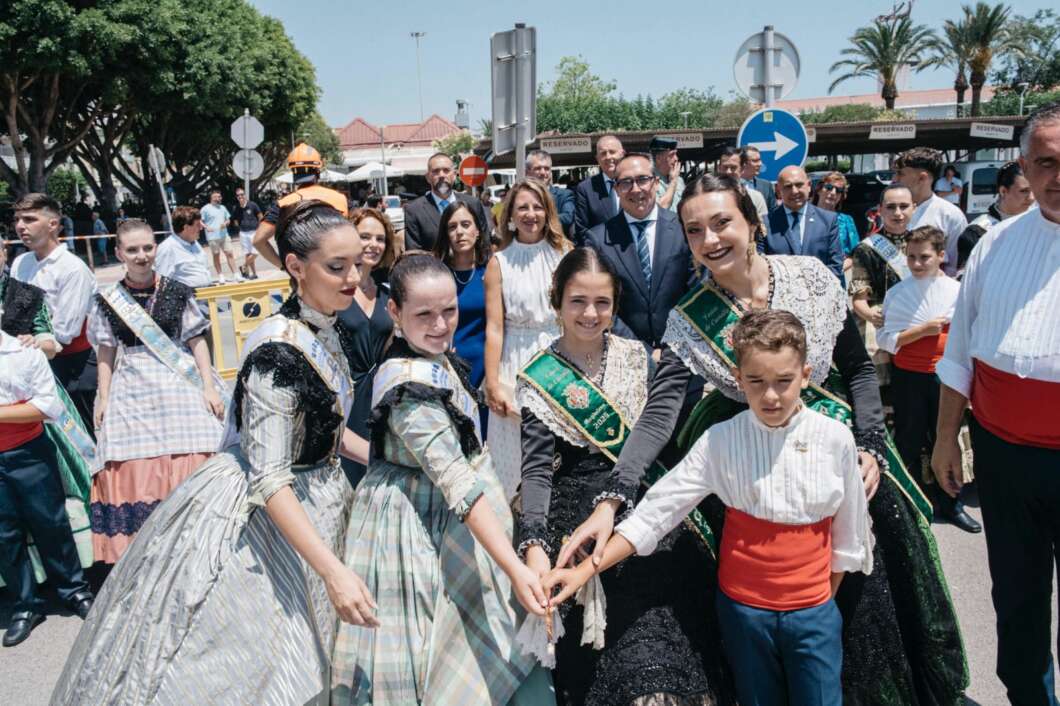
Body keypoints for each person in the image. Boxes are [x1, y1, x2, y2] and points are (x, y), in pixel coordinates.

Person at [557, 174, 969, 706]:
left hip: (836, 455)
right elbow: (659, 416)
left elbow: (859, 372)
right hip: (753, 467)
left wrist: (870, 445)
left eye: (722, 222)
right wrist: (613, 497)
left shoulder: (813, 279)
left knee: (862, 615)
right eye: (695, 230)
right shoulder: (690, 319)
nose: (710, 239)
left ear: (751, 222)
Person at [52, 200, 377, 704]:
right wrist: (332, 572)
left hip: (320, 495)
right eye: (337, 267)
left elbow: (323, 429)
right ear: (295, 267)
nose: (353, 276)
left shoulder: (323, 328)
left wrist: (379, 457)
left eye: (357, 263)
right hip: (273, 513)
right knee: (265, 666)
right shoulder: (278, 354)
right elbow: (270, 477)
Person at [548, 310, 873, 706]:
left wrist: (817, 604)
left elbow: (849, 533)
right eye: (756, 381)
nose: (770, 395)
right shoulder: (720, 441)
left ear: (805, 375)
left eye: (784, 382)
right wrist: (584, 571)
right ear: (738, 381)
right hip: (743, 614)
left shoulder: (835, 438)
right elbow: (657, 512)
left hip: (813, 610)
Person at [330, 252, 553, 705]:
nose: (440, 324)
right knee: (431, 651)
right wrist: (513, 567)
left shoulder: (431, 357)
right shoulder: (408, 387)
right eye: (424, 314)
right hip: (420, 527)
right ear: (394, 313)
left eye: (449, 311)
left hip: (456, 516)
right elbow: (458, 486)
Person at [516, 247, 735, 705]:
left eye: (603, 302)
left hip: (648, 511)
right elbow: (537, 470)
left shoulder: (639, 357)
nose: (591, 314)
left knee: (672, 645)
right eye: (577, 301)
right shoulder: (538, 378)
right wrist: (534, 544)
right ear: (556, 302)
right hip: (578, 527)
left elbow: (659, 433)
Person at [931, 102, 1060, 706]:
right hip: (1004, 457)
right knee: (1016, 593)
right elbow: (960, 349)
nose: (1057, 177)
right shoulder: (994, 243)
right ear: (1024, 168)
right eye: (1045, 163)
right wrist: (942, 439)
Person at [87, 219, 226, 563]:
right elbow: (105, 351)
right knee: (130, 459)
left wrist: (208, 386)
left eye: (147, 247)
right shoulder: (108, 300)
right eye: (132, 249)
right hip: (132, 384)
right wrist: (103, 398)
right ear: (119, 252)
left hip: (178, 379)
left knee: (198, 445)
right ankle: (148, 553)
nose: (141, 256)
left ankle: (198, 543)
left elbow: (197, 341)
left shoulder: (178, 291)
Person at [877, 226, 980, 534]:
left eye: (924, 257)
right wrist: (922, 331)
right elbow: (886, 339)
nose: (917, 264)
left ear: (941, 255)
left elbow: (968, 334)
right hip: (908, 377)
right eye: (911, 257)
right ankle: (910, 505)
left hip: (944, 377)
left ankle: (951, 503)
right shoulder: (897, 293)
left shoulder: (956, 290)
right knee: (908, 439)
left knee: (945, 440)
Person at [0, 327, 94, 647]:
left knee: (50, 521)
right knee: (5, 533)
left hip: (28, 452)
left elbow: (46, 407)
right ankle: (25, 604)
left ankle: (74, 589)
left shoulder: (24, 354)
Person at [484, 180, 571, 499]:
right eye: (522, 207)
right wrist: (493, 383)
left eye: (537, 206)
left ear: (548, 211)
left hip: (559, 357)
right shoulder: (499, 262)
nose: (530, 214)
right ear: (510, 214)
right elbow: (494, 327)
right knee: (515, 460)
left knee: (561, 449)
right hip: (515, 361)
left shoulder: (565, 254)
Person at [581, 152, 695, 349]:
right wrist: (641, 350)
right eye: (625, 182)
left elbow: (696, 290)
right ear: (616, 189)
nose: (635, 189)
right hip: (625, 352)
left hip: (683, 352)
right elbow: (599, 302)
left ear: (657, 183)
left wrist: (672, 347)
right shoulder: (597, 240)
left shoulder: (684, 229)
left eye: (643, 179)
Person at [12, 194, 98, 436]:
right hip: (30, 362)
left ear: (52, 224)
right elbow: (15, 315)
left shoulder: (72, 268)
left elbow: (65, 332)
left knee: (80, 441)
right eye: (18, 219)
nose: (20, 226)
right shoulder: (21, 263)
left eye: (29, 219)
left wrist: (34, 340)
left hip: (71, 368)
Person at [336, 208, 395, 488]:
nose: (374, 244)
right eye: (365, 236)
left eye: (380, 239)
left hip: (382, 394)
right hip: (347, 393)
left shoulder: (388, 291)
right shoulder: (335, 289)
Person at [433, 199, 492, 431]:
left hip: (485, 367)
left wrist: (493, 375)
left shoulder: (492, 271)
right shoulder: (437, 273)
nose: (459, 232)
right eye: (452, 227)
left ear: (478, 230)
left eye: (466, 225)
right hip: (446, 364)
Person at [848, 183, 916, 384]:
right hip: (880, 318)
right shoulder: (866, 249)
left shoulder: (924, 242)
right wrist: (875, 317)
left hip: (917, 317)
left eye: (904, 206)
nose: (898, 213)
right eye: (891, 207)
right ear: (880, 210)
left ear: (915, 207)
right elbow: (859, 300)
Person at [252, 143, 352, 269]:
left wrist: (285, 267)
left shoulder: (283, 204)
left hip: (303, 275)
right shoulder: (339, 199)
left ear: (293, 172)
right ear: (318, 170)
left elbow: (258, 241)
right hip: (337, 269)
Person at [763, 165, 844, 280]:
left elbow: (835, 265)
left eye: (799, 185)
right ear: (778, 190)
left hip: (819, 293)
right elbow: (761, 267)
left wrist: (809, 290)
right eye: (788, 186)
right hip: (781, 294)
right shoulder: (765, 223)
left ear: (809, 186)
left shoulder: (828, 220)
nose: (794, 191)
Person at [895, 147, 967, 276]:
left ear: (922, 178)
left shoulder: (950, 216)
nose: (895, 179)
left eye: (901, 174)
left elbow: (957, 267)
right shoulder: (890, 211)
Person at [956, 160, 1035, 275]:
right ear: (1003, 191)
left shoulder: (1045, 224)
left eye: (1034, 190)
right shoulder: (978, 231)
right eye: (1024, 191)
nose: (1031, 198)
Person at [403, 152, 493, 251]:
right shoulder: (414, 210)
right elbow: (414, 254)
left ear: (454, 175)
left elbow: (484, 243)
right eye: (436, 171)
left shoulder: (473, 204)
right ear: (428, 178)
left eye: (446, 170)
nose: (441, 175)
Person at [573, 135, 625, 240]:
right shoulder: (585, 189)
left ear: (622, 154)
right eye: (603, 153)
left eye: (612, 152)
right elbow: (582, 230)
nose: (608, 157)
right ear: (597, 159)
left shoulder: (635, 183)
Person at [154, 206, 215, 292]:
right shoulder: (167, 248)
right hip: (186, 302)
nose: (201, 228)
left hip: (206, 298)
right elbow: (162, 284)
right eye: (198, 225)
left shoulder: (195, 243)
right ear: (186, 227)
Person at [813, 171, 860, 269]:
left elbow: (855, 254)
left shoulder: (847, 220)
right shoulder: (805, 216)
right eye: (829, 187)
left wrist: (836, 270)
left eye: (838, 190)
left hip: (836, 276)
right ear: (819, 190)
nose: (833, 193)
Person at [527, 148, 576, 237]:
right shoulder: (520, 197)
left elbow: (568, 217)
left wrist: (537, 218)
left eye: (546, 168)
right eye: (537, 168)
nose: (543, 172)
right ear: (528, 172)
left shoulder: (564, 195)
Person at [716, 146, 768, 222]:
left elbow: (763, 229)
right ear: (719, 168)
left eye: (733, 167)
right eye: (725, 167)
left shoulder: (756, 198)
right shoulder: (708, 197)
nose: (728, 172)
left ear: (742, 169)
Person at [200, 190, 240, 283]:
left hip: (224, 235)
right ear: (212, 198)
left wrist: (225, 223)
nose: (219, 198)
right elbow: (200, 221)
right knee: (216, 255)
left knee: (230, 254)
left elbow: (228, 219)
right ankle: (220, 276)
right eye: (217, 197)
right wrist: (206, 227)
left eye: (220, 196)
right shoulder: (205, 209)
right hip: (212, 236)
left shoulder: (223, 207)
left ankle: (236, 274)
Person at [231, 187, 263, 280]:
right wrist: (240, 227)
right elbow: (235, 220)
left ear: (245, 195)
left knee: (255, 252)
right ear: (236, 197)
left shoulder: (252, 205)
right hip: (243, 233)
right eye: (238, 195)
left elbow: (260, 216)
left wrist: (260, 228)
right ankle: (253, 274)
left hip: (254, 232)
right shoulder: (236, 207)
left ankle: (244, 266)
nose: (240, 196)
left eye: (242, 194)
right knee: (248, 254)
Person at [651, 135, 686, 211]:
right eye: (672, 155)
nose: (676, 158)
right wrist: (673, 182)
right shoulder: (649, 181)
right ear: (658, 158)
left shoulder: (679, 180)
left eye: (676, 154)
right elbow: (660, 208)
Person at [740, 146, 776, 211]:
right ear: (743, 163)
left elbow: (773, 213)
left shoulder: (766, 186)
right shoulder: (731, 185)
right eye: (755, 161)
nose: (760, 164)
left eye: (760, 160)